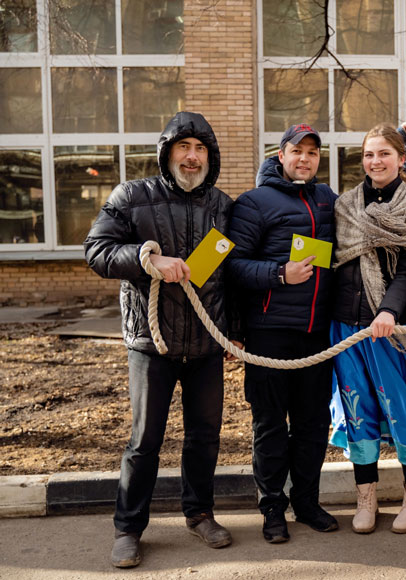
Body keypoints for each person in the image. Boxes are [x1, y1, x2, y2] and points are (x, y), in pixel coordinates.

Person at [84, 112, 234, 568]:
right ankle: (128, 528)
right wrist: (146, 258)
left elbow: (229, 273)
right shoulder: (131, 197)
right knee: (145, 440)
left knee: (205, 437)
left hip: (206, 346)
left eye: (200, 149)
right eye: (183, 148)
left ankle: (200, 513)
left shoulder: (224, 205)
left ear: (210, 156)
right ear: (167, 152)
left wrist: (233, 335)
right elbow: (97, 251)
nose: (192, 157)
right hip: (152, 343)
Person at [226, 124, 337, 543]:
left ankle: (307, 502)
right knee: (270, 425)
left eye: (312, 152)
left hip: (317, 336)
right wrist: (279, 274)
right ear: (280, 155)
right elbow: (233, 266)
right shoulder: (254, 203)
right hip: (270, 334)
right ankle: (272, 508)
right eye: (297, 151)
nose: (305, 158)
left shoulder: (327, 199)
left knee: (312, 424)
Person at [331, 123, 406, 535]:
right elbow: (333, 263)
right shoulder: (343, 205)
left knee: (404, 409)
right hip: (346, 326)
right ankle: (367, 497)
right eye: (368, 155)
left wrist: (389, 310)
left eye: (384, 154)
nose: (375, 162)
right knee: (357, 410)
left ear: (401, 159)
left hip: (397, 326)